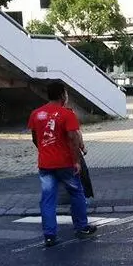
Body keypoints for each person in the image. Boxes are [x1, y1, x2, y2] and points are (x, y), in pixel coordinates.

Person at [28, 82, 97, 247]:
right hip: (65, 163)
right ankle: (81, 227)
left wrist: (45, 150)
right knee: (76, 192)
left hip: (45, 163)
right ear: (62, 95)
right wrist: (76, 161)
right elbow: (73, 139)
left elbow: (35, 138)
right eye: (65, 93)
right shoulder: (67, 114)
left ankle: (49, 235)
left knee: (48, 199)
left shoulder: (36, 114)